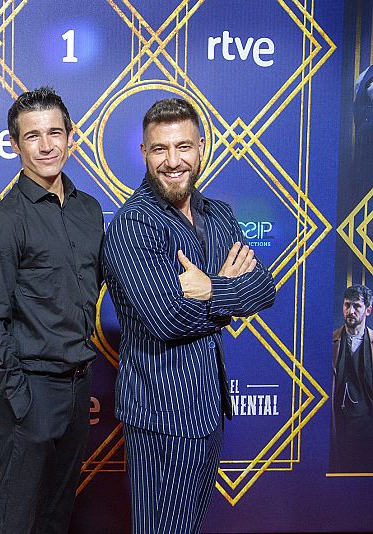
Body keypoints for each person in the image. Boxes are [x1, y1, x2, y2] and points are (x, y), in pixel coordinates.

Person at [101, 97, 276, 533]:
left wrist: (211, 287)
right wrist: (230, 292)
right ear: (144, 152)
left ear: (200, 147)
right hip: (161, 413)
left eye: (183, 146)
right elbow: (168, 319)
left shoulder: (219, 214)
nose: (173, 161)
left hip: (209, 408)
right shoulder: (133, 225)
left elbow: (264, 288)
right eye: (160, 149)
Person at [0, 87, 105, 534]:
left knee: (57, 512)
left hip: (78, 385)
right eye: (32, 136)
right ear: (15, 144)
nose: (46, 146)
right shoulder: (3, 222)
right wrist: (19, 397)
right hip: (30, 388)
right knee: (18, 515)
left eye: (54, 133)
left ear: (71, 136)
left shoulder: (89, 210)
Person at [330, 284, 373, 472]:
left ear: (368, 310)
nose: (351, 311)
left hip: (367, 429)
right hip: (338, 428)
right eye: (347, 305)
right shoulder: (331, 341)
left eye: (357, 306)